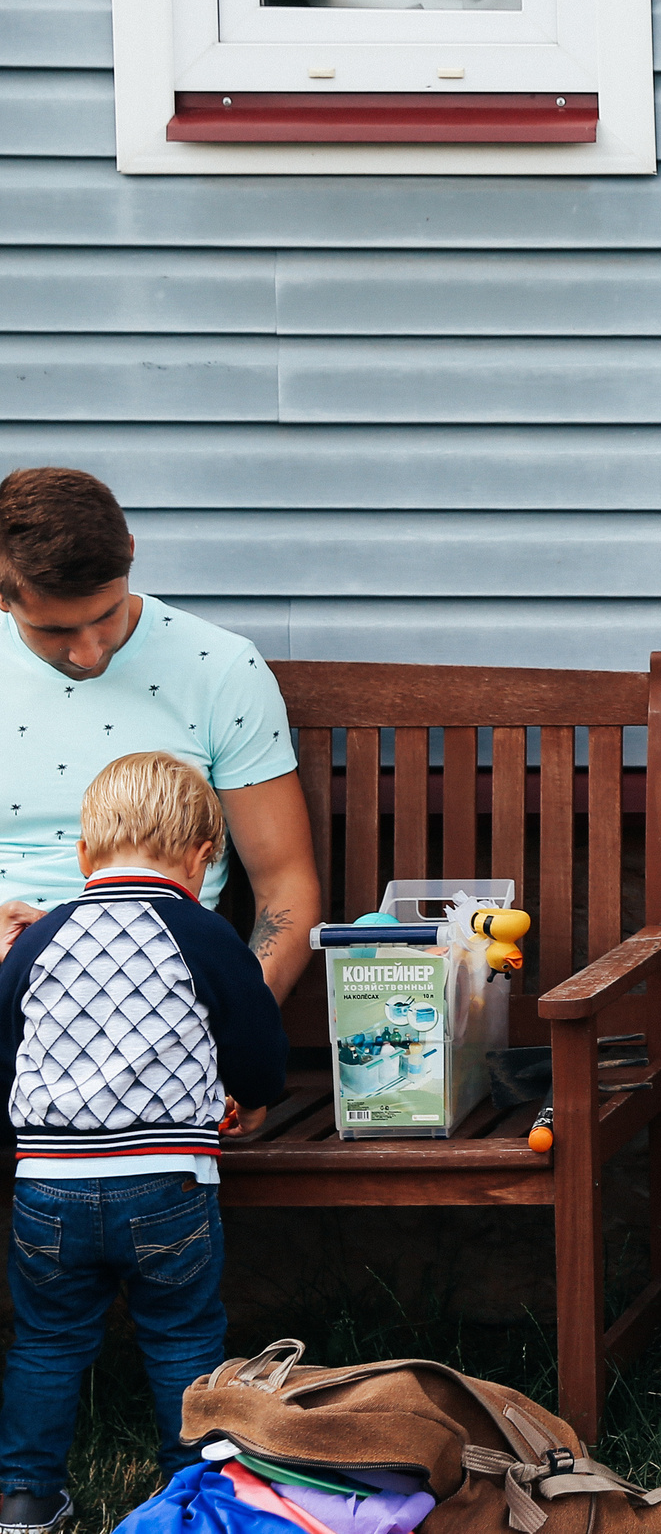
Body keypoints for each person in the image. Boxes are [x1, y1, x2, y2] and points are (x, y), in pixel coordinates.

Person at [0, 752, 289, 1529]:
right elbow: (256, 1038)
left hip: (48, 1185)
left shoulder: (42, 937)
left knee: (47, 1338)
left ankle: (26, 1497)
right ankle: (187, 1489)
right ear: (205, 856)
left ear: (84, 855)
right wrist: (255, 1093)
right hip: (166, 1181)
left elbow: (6, 1041)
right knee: (181, 1333)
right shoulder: (201, 931)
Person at [0, 468, 320, 999]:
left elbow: (284, 888)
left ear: (129, 552)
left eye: (105, 616)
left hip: (158, 997)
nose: (89, 653)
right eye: (55, 631)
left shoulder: (219, 671)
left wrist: (233, 1022)